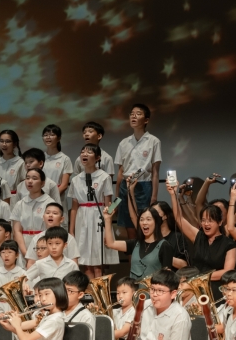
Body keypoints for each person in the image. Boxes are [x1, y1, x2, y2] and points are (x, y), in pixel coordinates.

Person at [166, 180, 236, 302]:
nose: (206, 224)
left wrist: (199, 278)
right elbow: (178, 218)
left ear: (220, 222)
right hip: (194, 288)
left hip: (216, 290)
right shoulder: (198, 236)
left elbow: (227, 272)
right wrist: (173, 194)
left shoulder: (229, 244)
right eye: (203, 220)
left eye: (210, 221)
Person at [69, 144, 119, 279]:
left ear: (97, 158)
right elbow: (74, 207)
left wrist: (108, 227)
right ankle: (90, 290)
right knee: (85, 263)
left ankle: (100, 290)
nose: (85, 154)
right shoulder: (75, 179)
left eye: (89, 152)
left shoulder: (104, 177)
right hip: (82, 218)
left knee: (98, 264)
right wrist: (71, 231)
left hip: (99, 217)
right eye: (82, 151)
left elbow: (109, 205)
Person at [114, 103, 162, 240]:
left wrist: (154, 197)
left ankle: (145, 253)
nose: (134, 116)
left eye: (138, 114)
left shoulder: (153, 141)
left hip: (144, 186)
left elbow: (155, 172)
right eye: (132, 114)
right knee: (129, 228)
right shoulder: (124, 143)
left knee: (144, 225)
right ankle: (133, 254)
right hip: (126, 186)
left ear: (146, 120)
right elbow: (120, 172)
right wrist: (117, 199)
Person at [103, 205, 173, 279]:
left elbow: (167, 277)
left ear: (156, 222)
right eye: (141, 219)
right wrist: (107, 219)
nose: (144, 222)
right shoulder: (135, 243)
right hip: (133, 286)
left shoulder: (164, 246)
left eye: (148, 219)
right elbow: (111, 243)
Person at [10, 168, 54, 257]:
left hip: (43, 245)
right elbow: (17, 231)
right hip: (23, 245)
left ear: (42, 183)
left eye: (34, 178)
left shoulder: (50, 203)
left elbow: (52, 230)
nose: (30, 181)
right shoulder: (20, 204)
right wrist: (25, 253)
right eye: (27, 178)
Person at [24, 203, 80, 268]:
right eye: (48, 213)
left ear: (61, 219)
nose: (50, 215)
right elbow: (31, 263)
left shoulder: (69, 238)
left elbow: (74, 262)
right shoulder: (37, 238)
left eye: (55, 213)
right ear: (43, 217)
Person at [62, 271, 96, 340]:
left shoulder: (86, 316)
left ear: (80, 294)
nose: (64, 294)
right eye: (63, 289)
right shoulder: (57, 312)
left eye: (70, 291)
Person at [41, 124, 73, 228]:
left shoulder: (65, 159)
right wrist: (42, 198)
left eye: (52, 135)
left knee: (59, 228)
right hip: (40, 198)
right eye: (45, 135)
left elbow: (64, 185)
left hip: (58, 199)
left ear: (59, 138)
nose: (48, 137)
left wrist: (49, 198)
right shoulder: (40, 157)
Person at [0, 129, 26, 197]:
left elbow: (24, 185)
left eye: (8, 141)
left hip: (14, 198)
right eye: (1, 141)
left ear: (14, 144)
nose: (4, 144)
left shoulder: (20, 162)